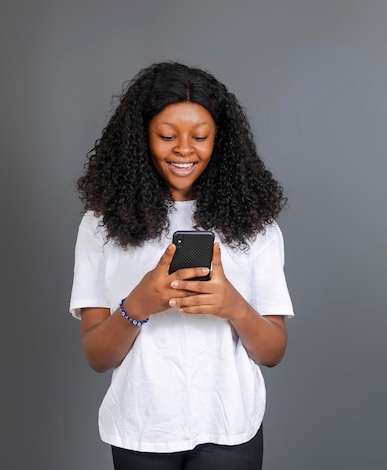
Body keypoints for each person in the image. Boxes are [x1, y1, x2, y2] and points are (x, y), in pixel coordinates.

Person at [69, 61, 294, 470]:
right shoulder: (100, 225)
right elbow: (97, 357)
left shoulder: (254, 223)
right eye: (167, 136)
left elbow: (273, 351)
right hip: (140, 429)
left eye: (201, 136)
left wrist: (233, 307)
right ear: (141, 140)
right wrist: (137, 305)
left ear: (220, 141)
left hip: (230, 428)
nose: (185, 149)